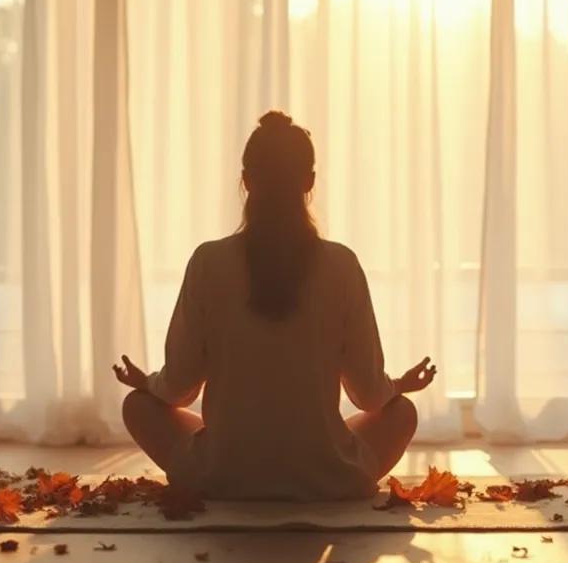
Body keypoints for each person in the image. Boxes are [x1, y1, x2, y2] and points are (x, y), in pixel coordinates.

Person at [110, 110, 436, 501]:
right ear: (309, 181)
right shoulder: (341, 264)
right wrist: (400, 386)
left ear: (246, 181)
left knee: (138, 406)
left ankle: (231, 460)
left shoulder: (208, 262)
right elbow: (368, 396)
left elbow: (179, 386)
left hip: (221, 476)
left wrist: (146, 383)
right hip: (327, 478)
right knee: (402, 413)